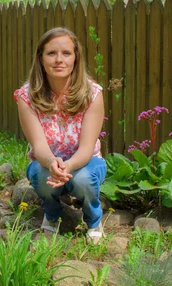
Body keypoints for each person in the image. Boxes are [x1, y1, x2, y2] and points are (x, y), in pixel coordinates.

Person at [14, 27, 106, 244]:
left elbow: (86, 148)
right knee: (39, 174)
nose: (59, 60)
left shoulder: (93, 93)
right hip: (47, 162)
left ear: (76, 58)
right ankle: (52, 214)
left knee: (83, 179)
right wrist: (52, 162)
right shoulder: (26, 96)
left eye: (66, 53)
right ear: (41, 58)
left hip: (85, 162)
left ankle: (93, 219)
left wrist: (69, 166)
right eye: (51, 53)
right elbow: (38, 144)